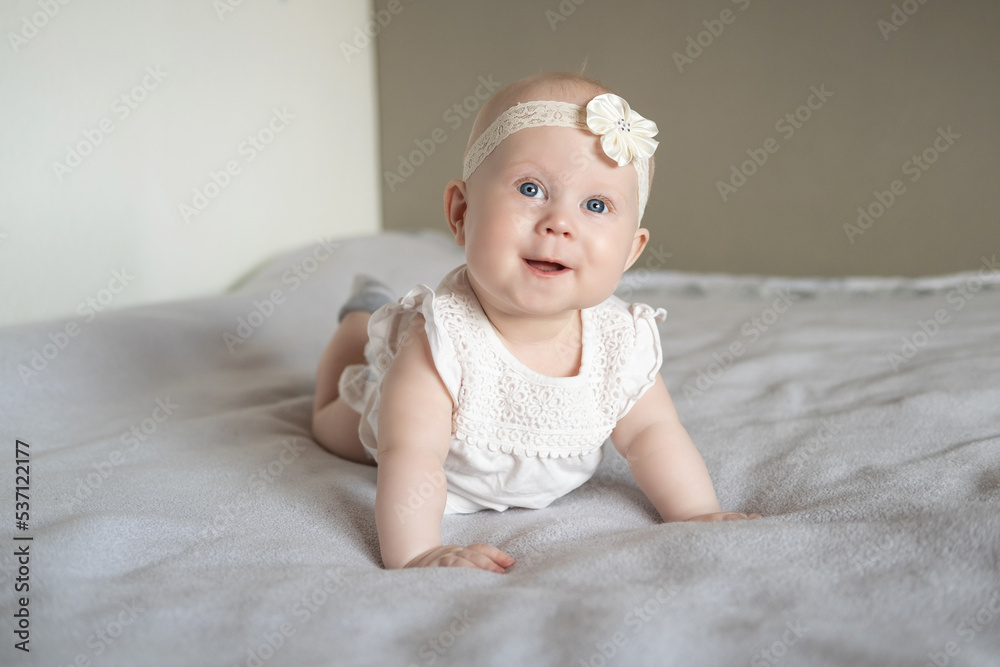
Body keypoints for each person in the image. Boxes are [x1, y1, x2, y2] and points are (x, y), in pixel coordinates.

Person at [312, 72, 759, 574]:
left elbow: (653, 433)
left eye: (596, 205)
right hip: (392, 426)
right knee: (332, 422)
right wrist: (418, 552)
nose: (559, 223)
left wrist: (696, 512)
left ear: (631, 251)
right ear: (461, 212)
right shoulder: (441, 343)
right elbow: (409, 454)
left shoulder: (620, 344)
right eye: (531, 188)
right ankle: (357, 322)